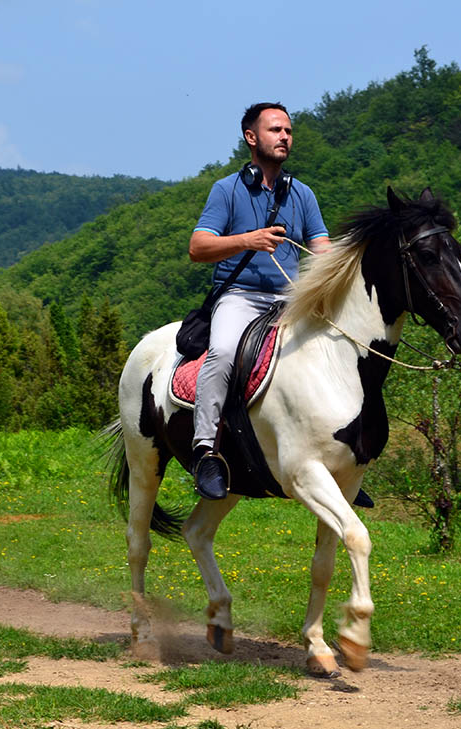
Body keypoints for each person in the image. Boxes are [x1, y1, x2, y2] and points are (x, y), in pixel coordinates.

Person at [189, 102, 331, 500]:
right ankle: (205, 451)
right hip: (240, 296)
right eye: (275, 130)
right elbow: (198, 247)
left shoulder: (302, 194)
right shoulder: (226, 189)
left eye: (288, 130)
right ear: (251, 138)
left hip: (291, 299)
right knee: (222, 352)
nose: (285, 136)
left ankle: (339, 451)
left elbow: (322, 248)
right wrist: (247, 240)